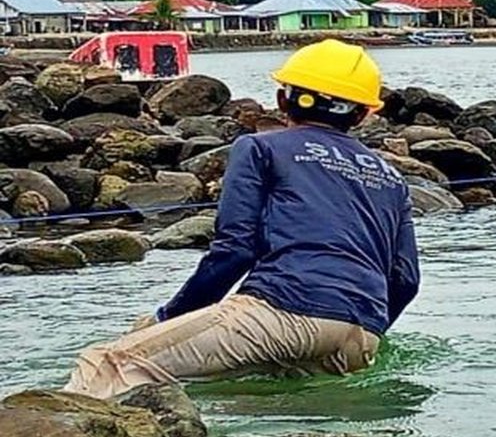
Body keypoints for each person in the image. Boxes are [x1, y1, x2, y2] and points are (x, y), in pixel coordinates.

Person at [64, 40, 420, 399]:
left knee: (107, 365)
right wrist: (362, 328)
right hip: (361, 338)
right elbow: (405, 281)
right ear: (361, 115)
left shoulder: (260, 147)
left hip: (281, 310)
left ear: (283, 100)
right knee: (238, 403)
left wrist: (168, 318)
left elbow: (235, 250)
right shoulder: (392, 178)